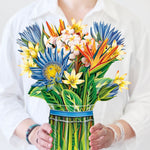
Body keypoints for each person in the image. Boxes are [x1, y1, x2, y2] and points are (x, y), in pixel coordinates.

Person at [0, 0, 150, 150]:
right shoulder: (21, 22)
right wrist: (32, 132)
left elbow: (145, 97)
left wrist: (116, 132)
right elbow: (5, 97)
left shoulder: (129, 24)